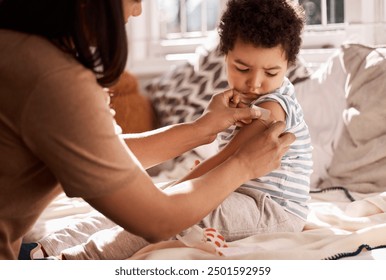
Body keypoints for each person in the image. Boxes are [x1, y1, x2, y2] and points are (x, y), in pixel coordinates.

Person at [16, 0, 312, 260]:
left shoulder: (272, 107)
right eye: (242, 68)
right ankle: (44, 248)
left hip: (270, 209)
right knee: (143, 202)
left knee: (182, 210)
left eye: (271, 72)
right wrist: (174, 189)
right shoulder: (52, 74)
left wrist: (178, 192)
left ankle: (76, 259)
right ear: (225, 56)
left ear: (288, 64)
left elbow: (224, 163)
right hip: (234, 188)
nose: (254, 83)